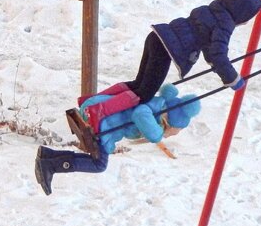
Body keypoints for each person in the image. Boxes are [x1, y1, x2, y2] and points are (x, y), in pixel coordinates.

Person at [67, 0, 261, 154]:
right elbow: (219, 53)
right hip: (165, 50)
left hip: (155, 37)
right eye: (248, 17)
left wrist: (213, 63)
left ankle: (92, 101)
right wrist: (233, 79)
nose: (246, 22)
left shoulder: (211, 10)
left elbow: (208, 46)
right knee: (143, 95)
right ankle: (98, 112)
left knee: (137, 85)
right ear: (241, 13)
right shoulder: (224, 25)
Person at [35, 83, 201, 196]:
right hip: (103, 120)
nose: (172, 134)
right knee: (99, 164)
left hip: (99, 112)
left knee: (97, 160)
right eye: (174, 130)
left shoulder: (157, 105)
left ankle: (48, 155)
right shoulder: (152, 111)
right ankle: (51, 165)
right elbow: (140, 114)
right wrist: (157, 135)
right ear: (170, 121)